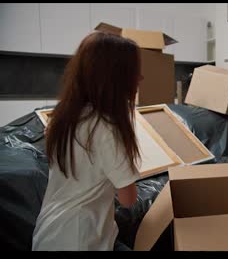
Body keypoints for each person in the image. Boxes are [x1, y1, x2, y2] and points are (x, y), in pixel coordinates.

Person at [32, 31, 144, 251]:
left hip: (48, 232)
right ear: (116, 77)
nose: (140, 78)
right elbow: (128, 199)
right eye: (134, 71)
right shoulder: (107, 129)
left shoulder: (62, 118)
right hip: (81, 239)